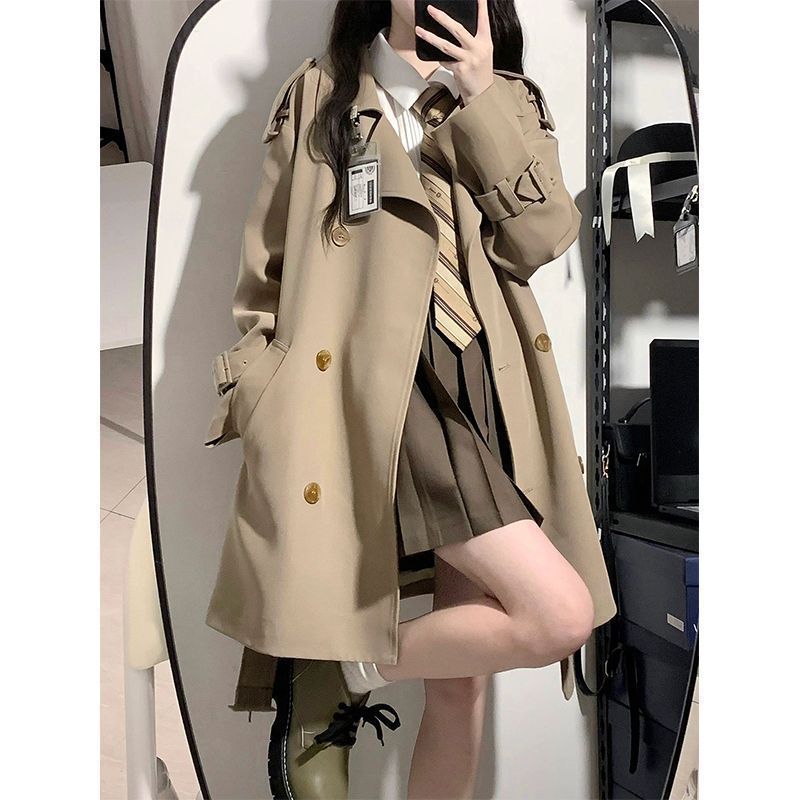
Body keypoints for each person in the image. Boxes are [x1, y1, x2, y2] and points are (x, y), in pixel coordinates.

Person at [203, 1, 617, 797]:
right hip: (374, 394)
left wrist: (480, 95)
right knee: (558, 614)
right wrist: (263, 390)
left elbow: (542, 238)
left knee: (462, 687)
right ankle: (350, 670)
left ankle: (343, 668)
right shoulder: (321, 95)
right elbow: (266, 271)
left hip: (485, 388)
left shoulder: (509, 97)